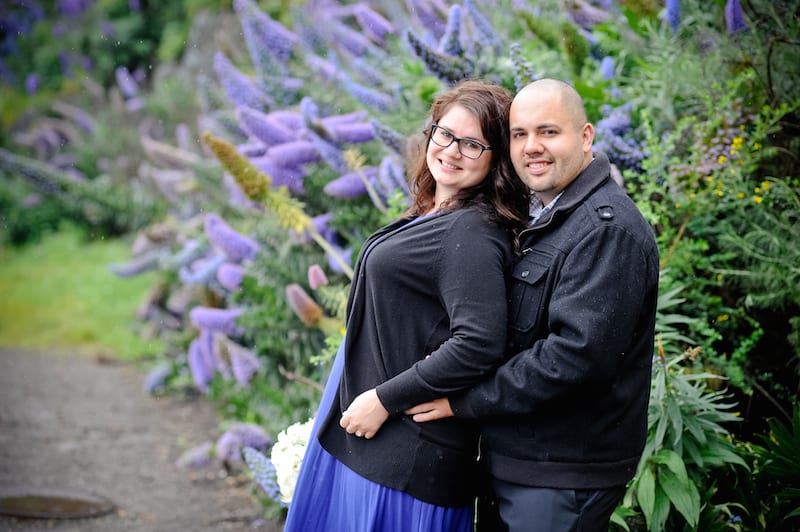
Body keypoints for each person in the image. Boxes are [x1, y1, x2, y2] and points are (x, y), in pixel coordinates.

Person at [407, 78, 660, 531]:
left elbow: (574, 358)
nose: (531, 147)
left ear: (585, 137)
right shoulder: (542, 216)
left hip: (561, 471)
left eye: (548, 132)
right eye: (519, 134)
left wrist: (463, 401)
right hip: (519, 461)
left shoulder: (606, 230)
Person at [283, 79, 530, 532]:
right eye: (445, 133)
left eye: (473, 144)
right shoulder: (439, 212)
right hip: (372, 444)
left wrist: (382, 399)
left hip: (403, 456)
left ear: (497, 159)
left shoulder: (471, 233)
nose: (452, 151)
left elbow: (478, 342)